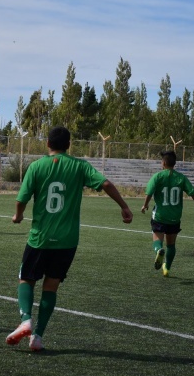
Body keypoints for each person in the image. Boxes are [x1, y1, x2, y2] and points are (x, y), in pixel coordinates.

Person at [7, 126, 133, 352]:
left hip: (40, 238)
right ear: (69, 145)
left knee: (26, 279)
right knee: (51, 286)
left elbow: (22, 198)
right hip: (67, 241)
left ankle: (26, 318)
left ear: (47, 144)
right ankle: (37, 337)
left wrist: (18, 215)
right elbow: (105, 184)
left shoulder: (36, 166)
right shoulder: (80, 166)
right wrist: (124, 206)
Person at [140, 150, 194, 277]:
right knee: (171, 244)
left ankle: (158, 250)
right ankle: (167, 268)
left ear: (163, 163)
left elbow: (149, 193)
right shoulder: (181, 177)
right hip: (174, 217)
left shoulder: (157, 176)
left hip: (160, 216)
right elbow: (193, 193)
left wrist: (145, 205)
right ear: (175, 163)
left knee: (157, 239)